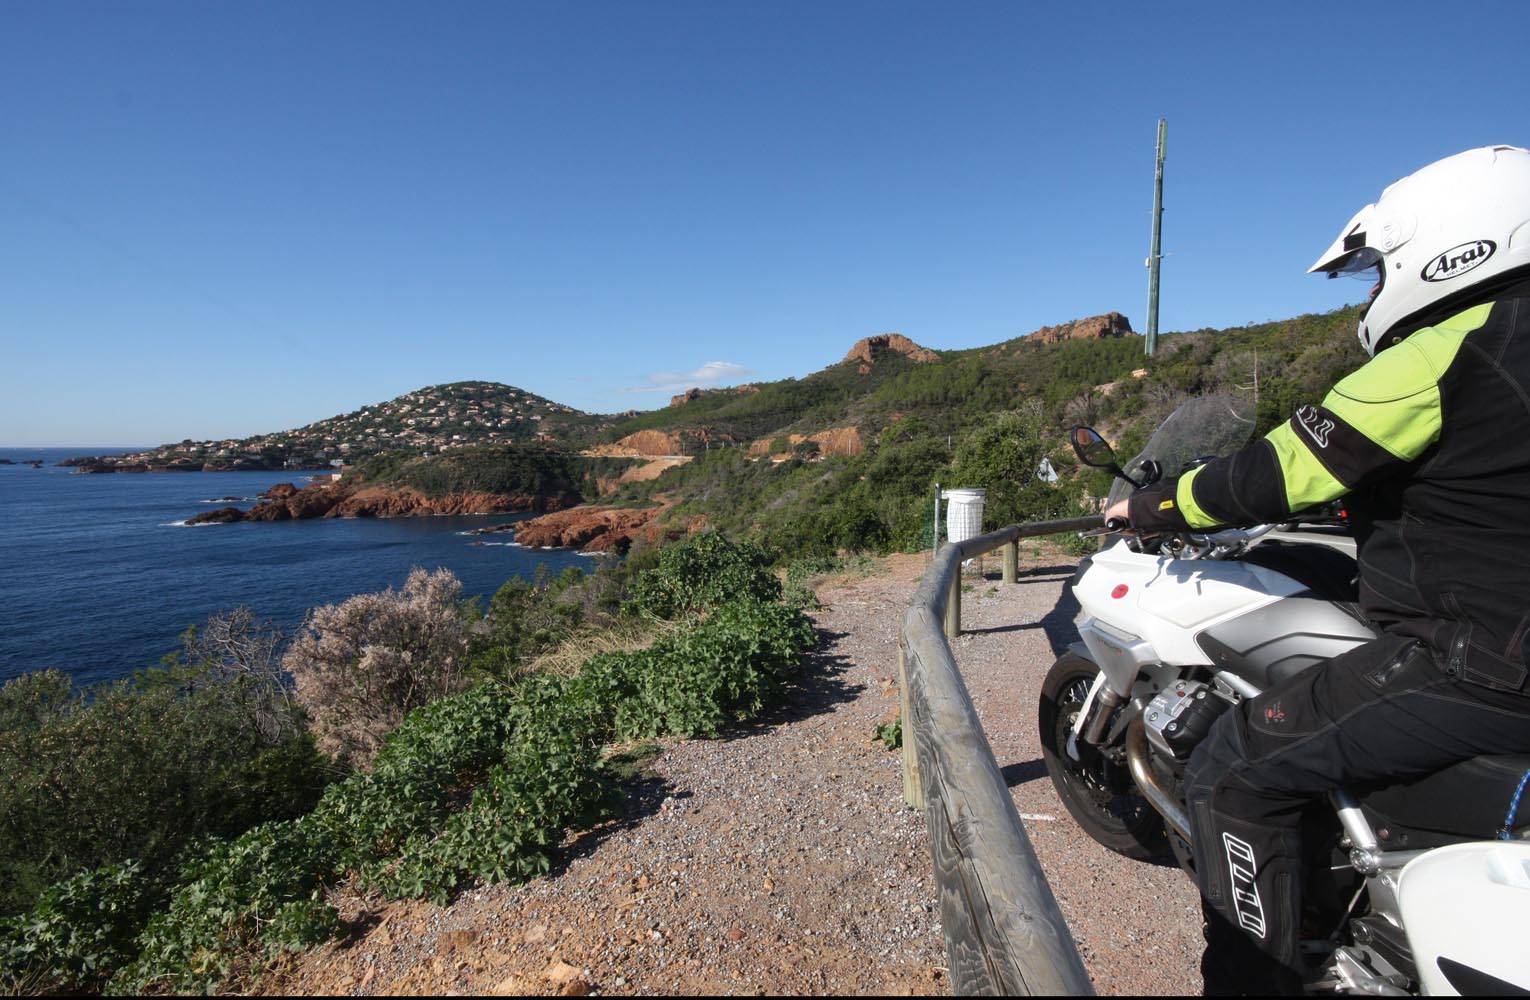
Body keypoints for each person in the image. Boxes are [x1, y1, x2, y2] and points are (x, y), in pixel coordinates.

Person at [1105, 145, 1530, 994]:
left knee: (1233, 763)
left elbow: (1273, 473)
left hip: (1482, 662)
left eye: (1377, 272)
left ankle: (1250, 978)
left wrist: (1150, 507)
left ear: (1450, 245)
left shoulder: (1451, 349)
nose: (1371, 295)